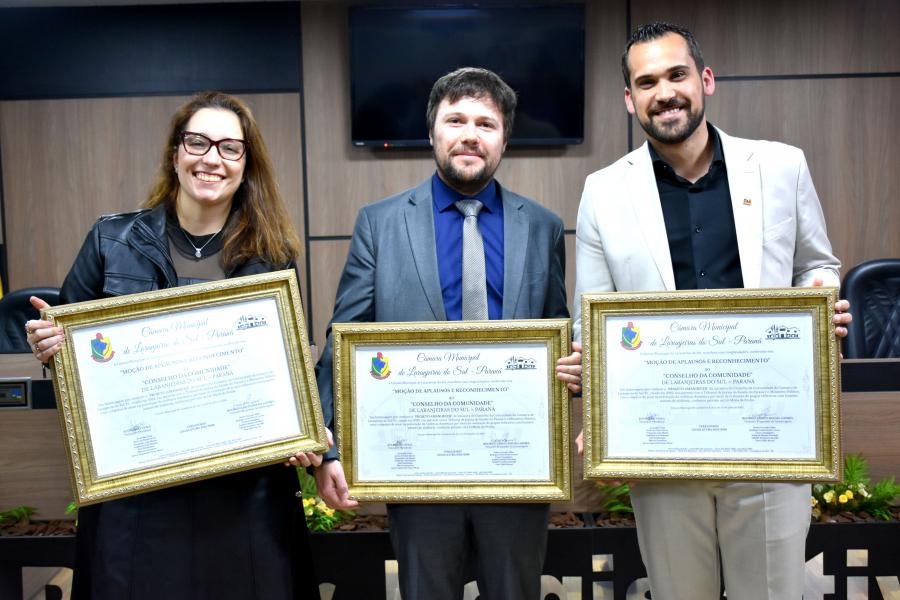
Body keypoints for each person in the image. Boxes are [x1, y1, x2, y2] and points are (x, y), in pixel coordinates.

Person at [572, 22, 852, 600]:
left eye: (676, 75)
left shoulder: (781, 166)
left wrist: (820, 306)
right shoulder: (603, 191)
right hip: (663, 451)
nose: (664, 93)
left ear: (705, 80)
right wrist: (601, 416)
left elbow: (816, 265)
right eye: (646, 82)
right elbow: (592, 319)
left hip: (769, 442)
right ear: (629, 99)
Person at [24, 91, 324, 600]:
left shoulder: (273, 256)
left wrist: (298, 426)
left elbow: (285, 365)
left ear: (247, 164)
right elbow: (71, 354)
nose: (212, 158)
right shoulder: (111, 240)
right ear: (175, 153)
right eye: (198, 142)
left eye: (230, 147)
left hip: (242, 492)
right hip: (137, 488)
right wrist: (51, 346)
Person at [313, 67, 582, 600]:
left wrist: (573, 370)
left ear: (505, 138)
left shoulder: (543, 226)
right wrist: (329, 449)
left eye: (486, 123)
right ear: (432, 131)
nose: (470, 134)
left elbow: (556, 331)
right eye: (455, 120)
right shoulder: (380, 224)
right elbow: (343, 341)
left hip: (516, 465)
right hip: (418, 468)